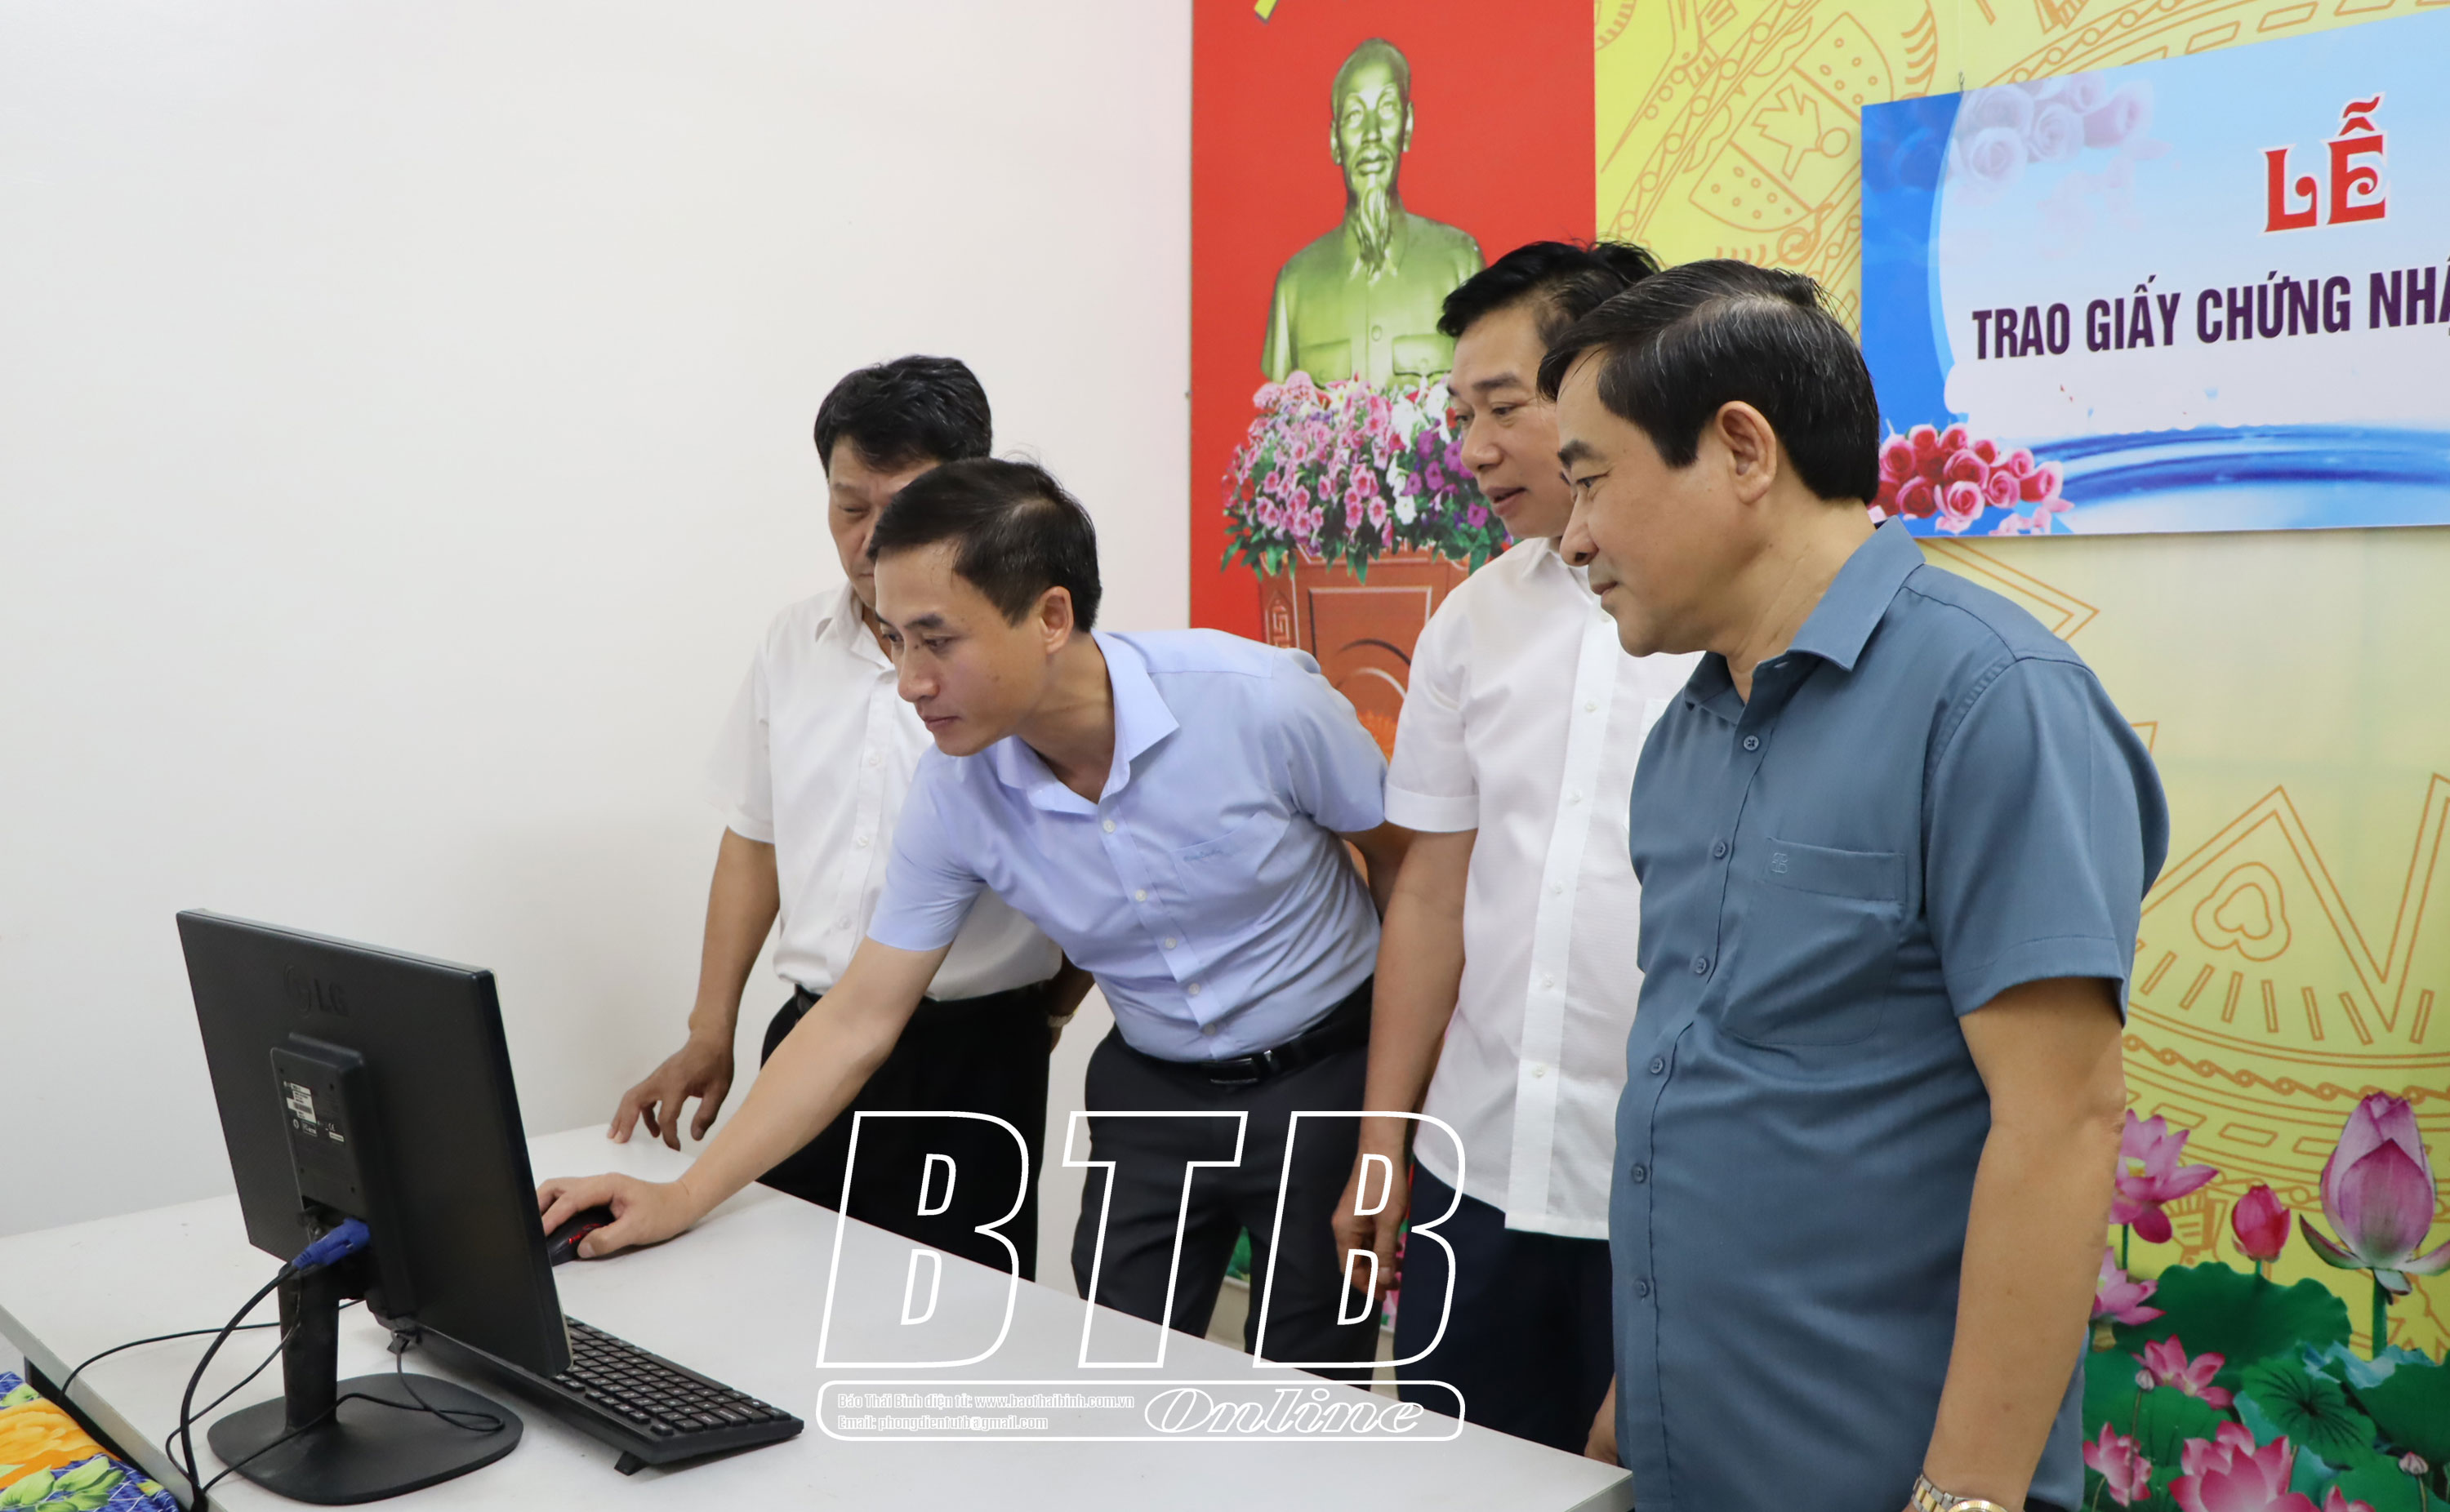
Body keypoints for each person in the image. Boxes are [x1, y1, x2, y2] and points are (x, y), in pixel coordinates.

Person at [547, 457, 1410, 1378]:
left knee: (1312, 1384)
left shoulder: (1257, 701)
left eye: (936, 641)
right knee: (1113, 1368)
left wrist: (1388, 1126)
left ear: (1050, 616)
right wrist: (682, 1197)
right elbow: (856, 1016)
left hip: (1328, 1076)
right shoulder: (958, 791)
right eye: (895, 642)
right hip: (1150, 1091)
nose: (910, 681)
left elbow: (1408, 873)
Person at [1541, 261, 2166, 1511]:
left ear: (1742, 450)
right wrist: (1642, 1386)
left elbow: (2060, 1124)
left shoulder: (1992, 703)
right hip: (1689, 1451)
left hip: (1887, 1474)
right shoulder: (1685, 735)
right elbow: (1706, 1081)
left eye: (1593, 480)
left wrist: (1966, 1494)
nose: (1574, 539)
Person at [604, 356, 1082, 1279]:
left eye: (900, 509)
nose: (869, 540)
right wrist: (711, 1029)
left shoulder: (1016, 661)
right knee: (777, 1292)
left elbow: (1103, 854)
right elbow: (755, 838)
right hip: (810, 1034)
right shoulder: (792, 643)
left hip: (970, 1061)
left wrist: (1047, 1015)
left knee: (948, 1318)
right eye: (848, 506)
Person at [1329, 240, 1690, 1454]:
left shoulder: (1723, 624)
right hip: (1475, 1173)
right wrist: (1384, 1146)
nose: (1474, 450)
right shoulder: (1471, 621)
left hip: (1665, 1198)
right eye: (1458, 416)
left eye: (1503, 407)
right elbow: (1431, 894)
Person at [1260, 37, 1482, 389]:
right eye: (1354, 116)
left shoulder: (1460, 264)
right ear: (1335, 141)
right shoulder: (1294, 287)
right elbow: (1278, 414)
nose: (1372, 134)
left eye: (1387, 108)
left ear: (1407, 126)